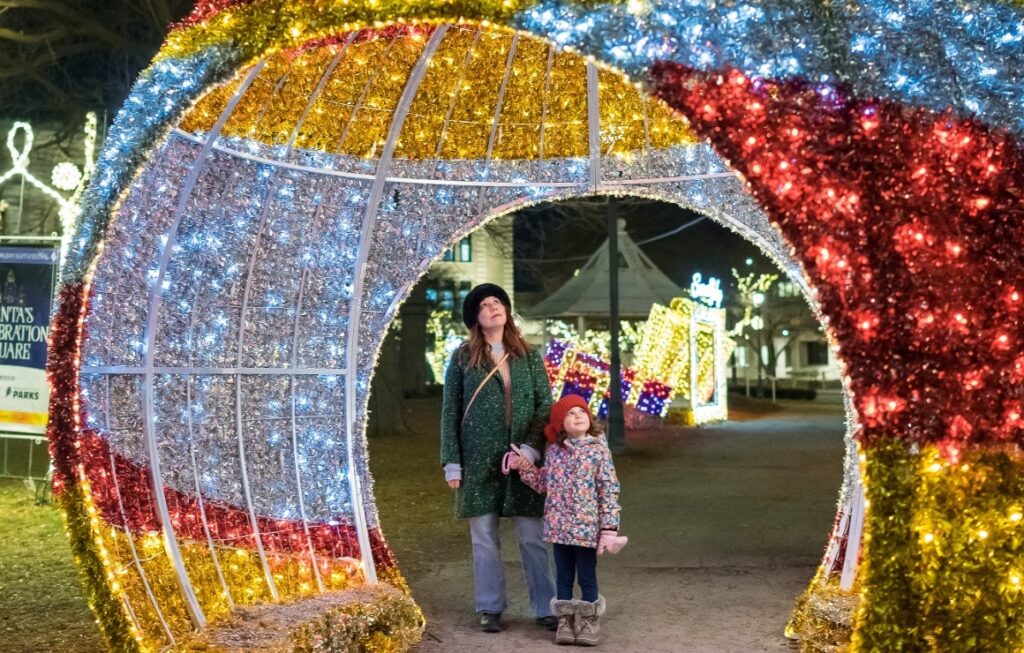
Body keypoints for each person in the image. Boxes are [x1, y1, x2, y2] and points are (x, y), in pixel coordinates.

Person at [439, 283, 557, 633]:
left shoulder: (528, 355)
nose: (493, 308)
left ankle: (546, 606)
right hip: (477, 461)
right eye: (485, 305)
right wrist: (452, 462)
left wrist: (532, 450)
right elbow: (450, 412)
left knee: (532, 536)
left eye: (497, 302)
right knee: (484, 538)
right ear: (475, 318)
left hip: (523, 462)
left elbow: (544, 406)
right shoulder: (462, 358)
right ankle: (489, 607)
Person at [507, 393, 626, 647]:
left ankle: (588, 621)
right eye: (570, 414)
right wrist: (524, 468)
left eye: (581, 411)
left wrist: (609, 527)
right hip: (559, 529)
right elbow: (543, 484)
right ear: (560, 424)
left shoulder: (599, 452)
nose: (578, 416)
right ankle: (565, 620)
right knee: (562, 576)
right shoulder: (553, 453)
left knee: (586, 576)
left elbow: (609, 489)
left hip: (586, 530)